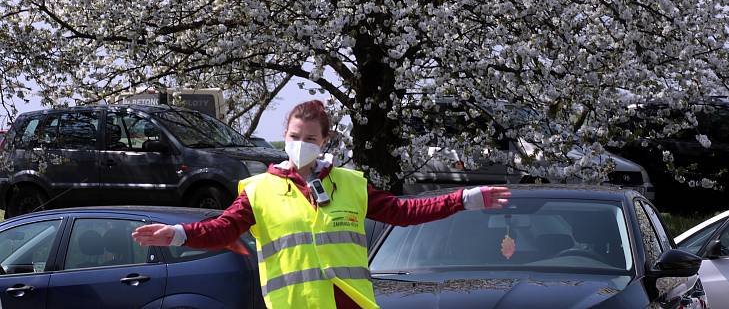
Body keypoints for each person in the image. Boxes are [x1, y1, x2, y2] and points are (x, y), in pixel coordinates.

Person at [132, 100, 510, 309]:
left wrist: (465, 197)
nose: (300, 144)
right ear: (284, 136)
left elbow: (404, 212)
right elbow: (223, 229)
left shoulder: (350, 184)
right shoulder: (259, 190)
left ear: (325, 140)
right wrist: (179, 234)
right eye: (294, 136)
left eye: (310, 138)